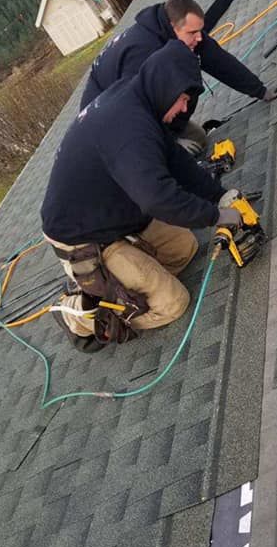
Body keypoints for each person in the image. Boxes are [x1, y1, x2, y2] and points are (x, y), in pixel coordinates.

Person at [41, 40, 243, 351]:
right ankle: (81, 314)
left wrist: (220, 196)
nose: (184, 109)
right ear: (166, 86)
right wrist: (217, 217)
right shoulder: (129, 128)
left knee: (184, 249)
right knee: (173, 303)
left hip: (117, 215)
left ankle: (126, 277)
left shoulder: (141, 98)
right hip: (83, 238)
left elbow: (178, 165)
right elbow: (158, 198)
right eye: (184, 99)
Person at [80, 0, 277, 154]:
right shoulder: (142, 54)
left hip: (143, 112)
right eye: (193, 33)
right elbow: (136, 113)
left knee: (198, 140)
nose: (199, 38)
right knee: (171, 160)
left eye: (200, 31)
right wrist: (170, 145)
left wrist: (261, 91)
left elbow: (218, 60)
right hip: (110, 126)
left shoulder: (185, 33)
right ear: (173, 26)